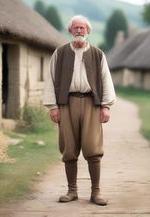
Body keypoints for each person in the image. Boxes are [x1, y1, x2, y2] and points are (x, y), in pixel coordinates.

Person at [43, 15, 116, 206]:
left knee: (93, 148)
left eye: (82, 28)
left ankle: (96, 192)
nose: (78, 31)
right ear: (70, 31)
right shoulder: (59, 53)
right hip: (67, 104)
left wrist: (106, 106)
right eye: (75, 28)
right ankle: (72, 191)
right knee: (69, 148)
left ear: (88, 31)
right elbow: (50, 79)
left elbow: (106, 80)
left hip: (92, 104)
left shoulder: (98, 54)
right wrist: (53, 106)